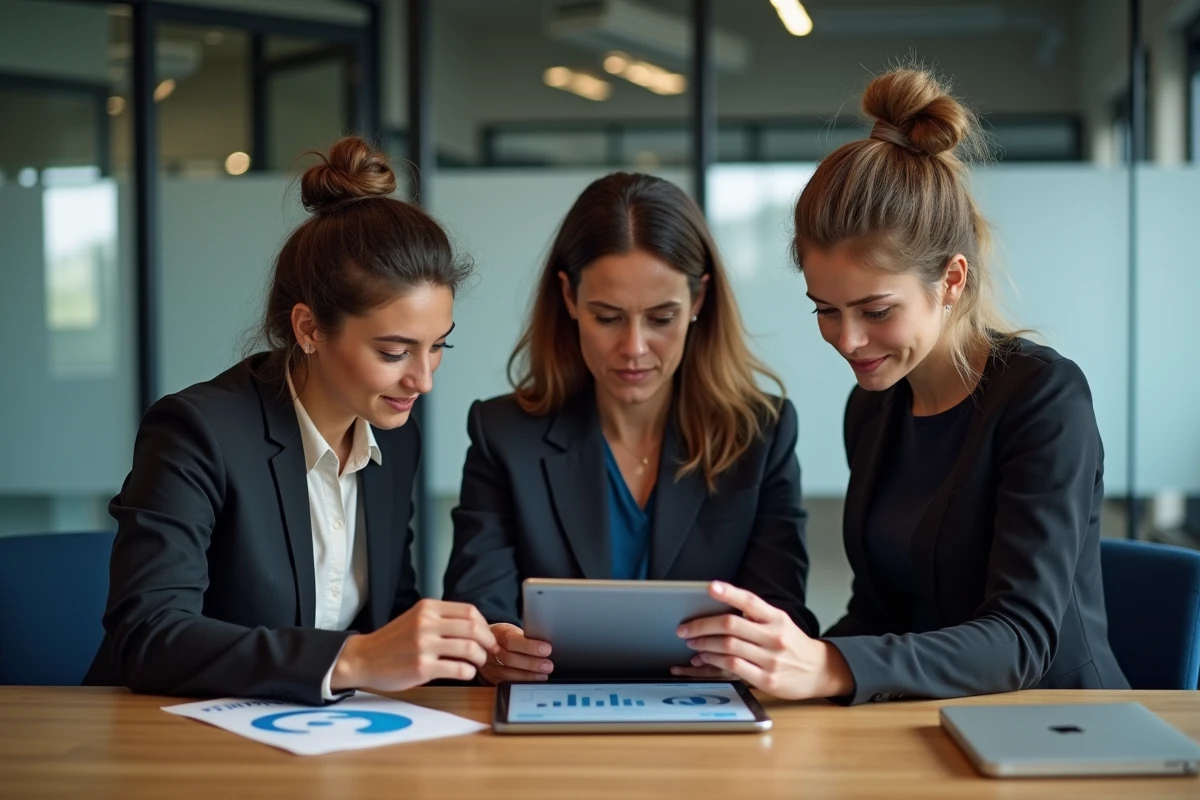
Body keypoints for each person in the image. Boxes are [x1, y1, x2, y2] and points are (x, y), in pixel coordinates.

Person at [677, 67, 1129, 703]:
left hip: (1060, 725)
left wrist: (830, 667)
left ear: (951, 280)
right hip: (925, 724)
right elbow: (881, 611)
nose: (848, 340)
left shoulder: (1042, 398)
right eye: (825, 310)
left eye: (876, 310)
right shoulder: (874, 407)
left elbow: (1023, 639)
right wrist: (770, 665)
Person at [85, 136, 497, 704]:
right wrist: (350, 658)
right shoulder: (197, 432)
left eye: (438, 347)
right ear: (308, 329)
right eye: (394, 352)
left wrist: (468, 654)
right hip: (175, 739)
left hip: (321, 737)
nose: (423, 380)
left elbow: (388, 614)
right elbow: (149, 634)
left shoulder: (393, 437)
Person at [442, 172, 819, 685]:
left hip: (710, 724)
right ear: (570, 298)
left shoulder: (762, 434)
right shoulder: (503, 434)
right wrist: (495, 646)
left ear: (699, 302)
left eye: (662, 318)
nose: (635, 348)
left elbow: (782, 612)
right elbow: (477, 608)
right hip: (548, 719)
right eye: (608, 317)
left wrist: (754, 650)